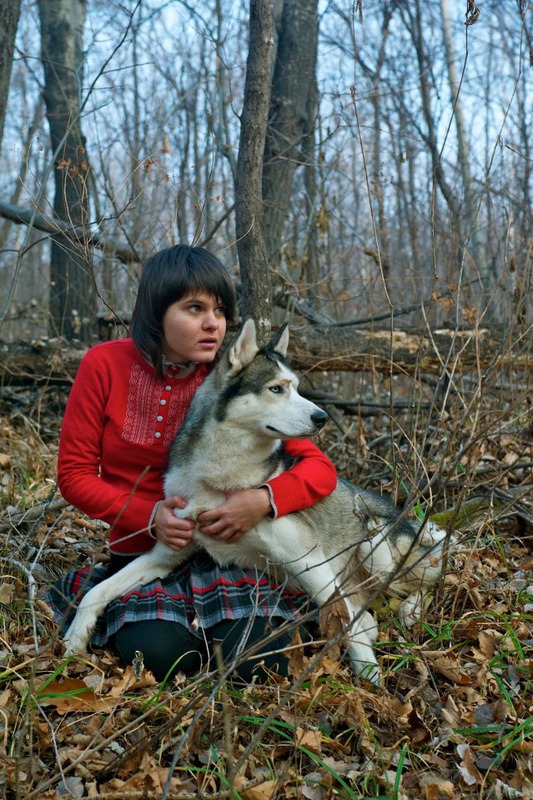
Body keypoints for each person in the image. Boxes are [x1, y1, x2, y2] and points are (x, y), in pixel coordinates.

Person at [49, 244, 337, 683]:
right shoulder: (104, 365)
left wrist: (263, 499)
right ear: (156, 311)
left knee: (261, 661)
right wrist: (149, 517)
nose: (212, 324)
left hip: (231, 555)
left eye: (220, 311)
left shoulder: (233, 380)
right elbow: (73, 475)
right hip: (146, 552)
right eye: (194, 308)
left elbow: (320, 470)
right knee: (163, 657)